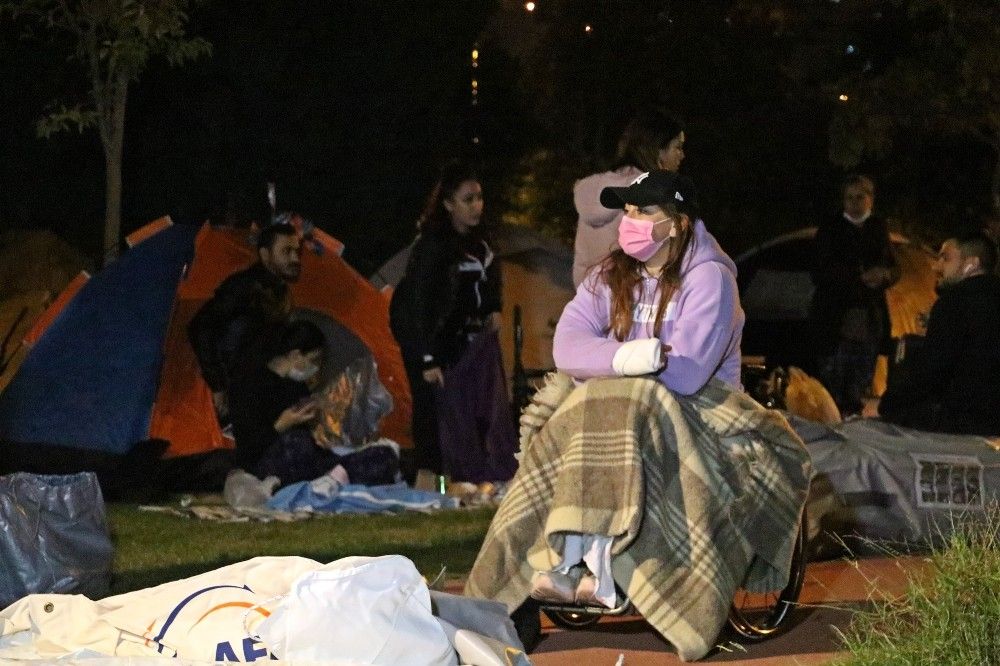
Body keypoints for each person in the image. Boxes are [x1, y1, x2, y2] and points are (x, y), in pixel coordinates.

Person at [555, 170, 743, 394]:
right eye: (627, 210)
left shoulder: (711, 279)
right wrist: (632, 357)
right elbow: (566, 347)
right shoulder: (609, 273)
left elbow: (686, 374)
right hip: (622, 406)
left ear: (677, 224)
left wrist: (600, 363)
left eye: (643, 211)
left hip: (697, 413)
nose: (629, 220)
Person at [389, 160, 518, 483]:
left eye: (479, 198)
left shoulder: (482, 242)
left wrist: (493, 308)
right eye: (467, 200)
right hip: (426, 337)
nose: (476, 206)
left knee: (473, 406)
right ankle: (432, 482)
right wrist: (427, 358)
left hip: (460, 338)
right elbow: (420, 305)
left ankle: (471, 478)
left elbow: (489, 281)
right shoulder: (433, 246)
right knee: (431, 407)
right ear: (448, 204)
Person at [227, 319, 398, 486]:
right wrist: (282, 424)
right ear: (295, 355)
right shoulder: (248, 385)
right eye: (314, 360)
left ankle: (332, 478)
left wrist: (318, 425)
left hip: (309, 460)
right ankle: (331, 478)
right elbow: (249, 447)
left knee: (383, 455)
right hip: (268, 463)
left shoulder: (296, 385)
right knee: (297, 443)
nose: (316, 367)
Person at [877, 232, 1000, 436]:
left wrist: (890, 403)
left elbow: (933, 368)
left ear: (971, 264)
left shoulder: (955, 302)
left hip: (962, 421)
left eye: (946, 258)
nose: (937, 266)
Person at [188, 223, 301, 420]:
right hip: (228, 394)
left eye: (297, 251)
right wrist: (218, 386)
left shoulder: (283, 292)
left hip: (255, 392)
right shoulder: (242, 287)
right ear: (265, 255)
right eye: (286, 251)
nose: (295, 259)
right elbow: (201, 328)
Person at [809, 174, 900, 416]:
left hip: (868, 320)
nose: (854, 203)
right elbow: (819, 271)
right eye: (849, 198)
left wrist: (885, 275)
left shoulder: (878, 228)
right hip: (836, 321)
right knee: (833, 391)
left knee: (859, 390)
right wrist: (858, 277)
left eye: (860, 197)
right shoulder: (831, 229)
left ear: (871, 199)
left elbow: (894, 267)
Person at [572, 108, 686, 288]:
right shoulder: (648, 193)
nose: (682, 155)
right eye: (677, 147)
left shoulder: (594, 189)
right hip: (628, 296)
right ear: (658, 149)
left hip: (588, 294)